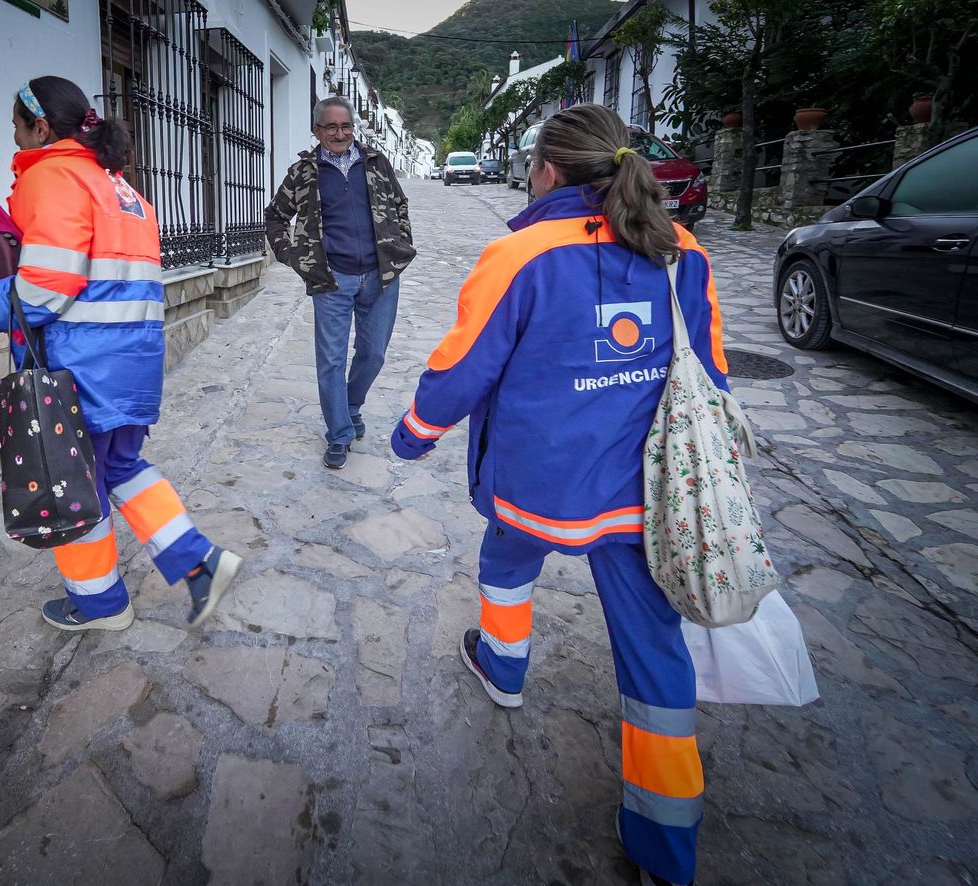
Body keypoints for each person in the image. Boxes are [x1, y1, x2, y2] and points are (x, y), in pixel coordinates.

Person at [390, 104, 727, 886]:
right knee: (654, 655)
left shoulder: (521, 251)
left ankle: (503, 669)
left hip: (535, 484)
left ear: (544, 170)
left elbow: (463, 367)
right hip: (644, 493)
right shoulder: (683, 251)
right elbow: (710, 370)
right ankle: (666, 847)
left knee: (506, 557)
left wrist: (413, 432)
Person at [0, 76, 242, 632]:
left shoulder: (51, 177)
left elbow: (46, 288)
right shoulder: (122, 190)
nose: (16, 141)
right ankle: (200, 564)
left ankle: (100, 605)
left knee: (73, 485)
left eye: (18, 129)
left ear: (41, 127)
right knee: (119, 466)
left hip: (80, 369)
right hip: (133, 364)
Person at [264, 97, 416, 470]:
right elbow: (275, 218)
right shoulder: (304, 172)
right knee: (330, 360)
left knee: (374, 353)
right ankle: (339, 433)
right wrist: (295, 258)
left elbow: (399, 204)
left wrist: (401, 244)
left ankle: (350, 406)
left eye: (345, 126)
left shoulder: (375, 163)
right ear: (317, 131)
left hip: (380, 277)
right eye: (330, 127)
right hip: (332, 279)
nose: (339, 133)